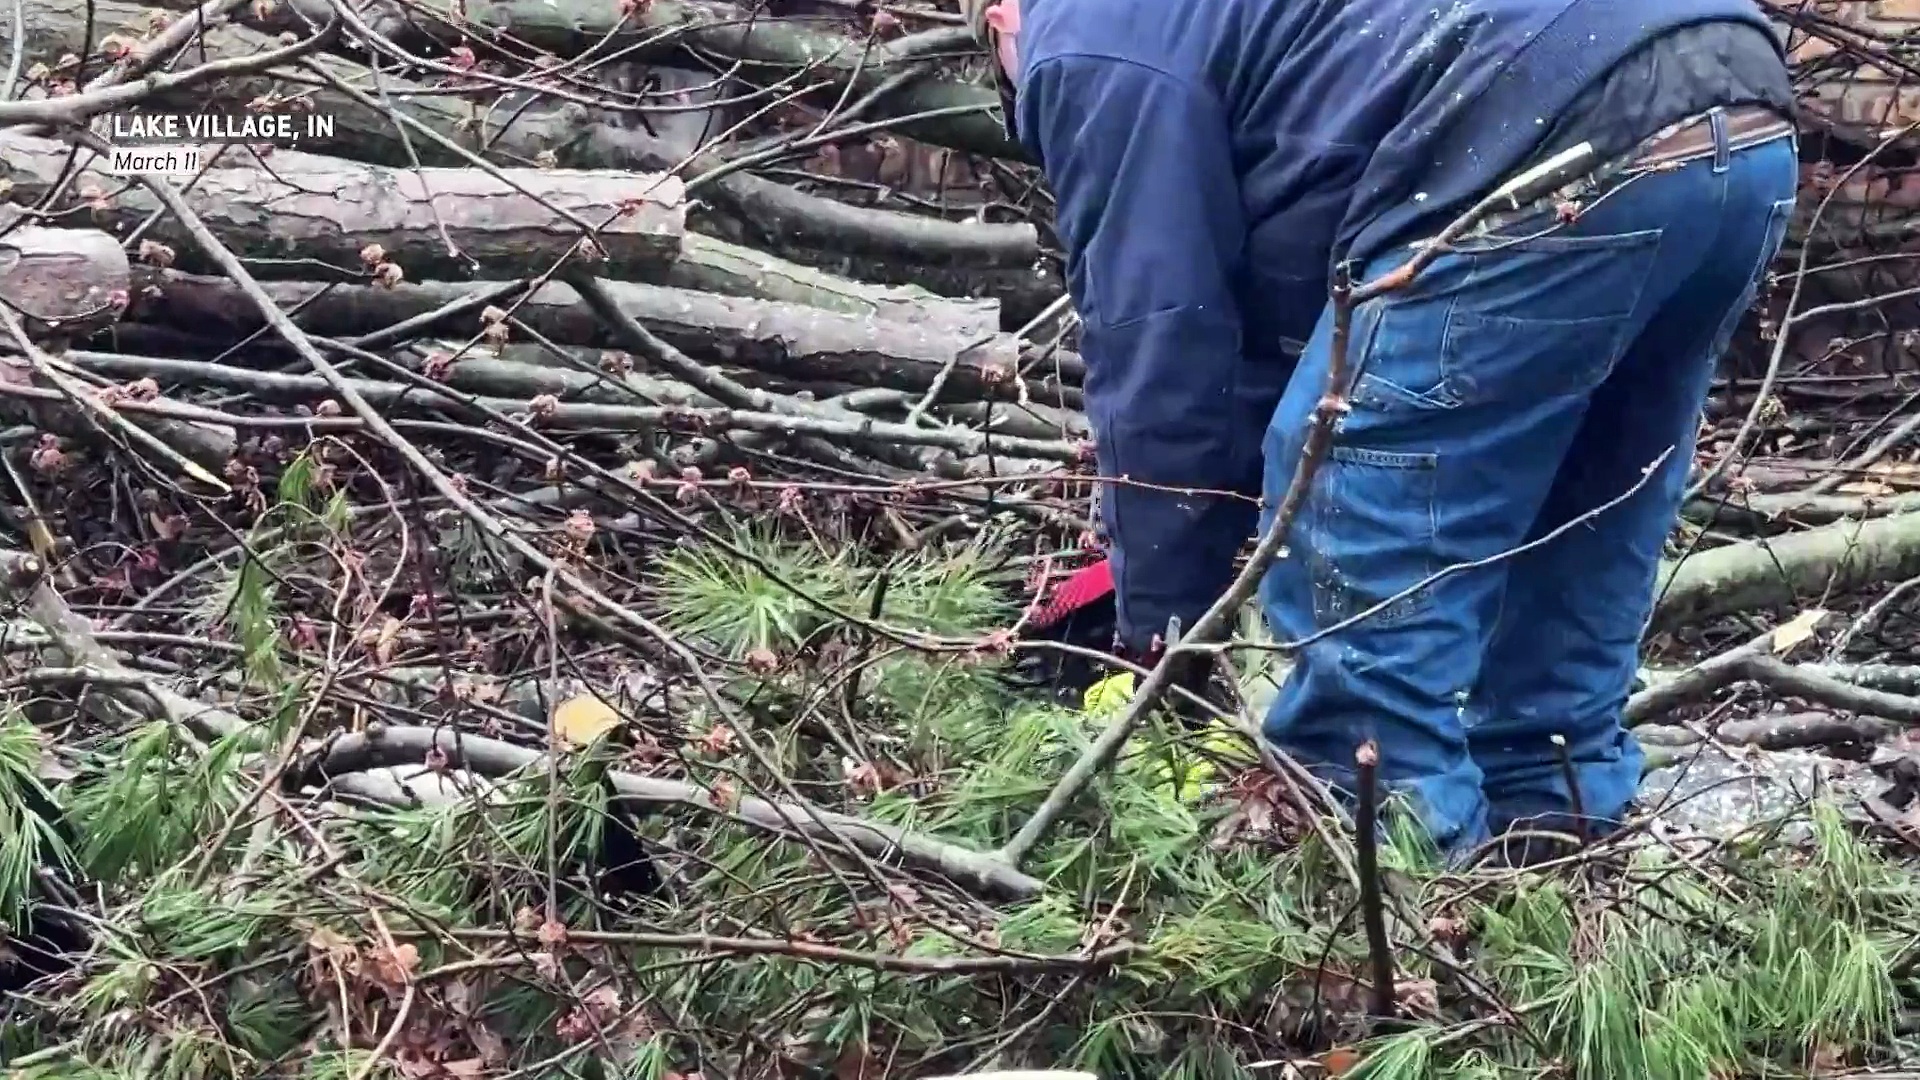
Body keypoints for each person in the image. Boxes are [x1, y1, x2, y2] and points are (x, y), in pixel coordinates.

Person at [966, 0, 1799, 863]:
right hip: (1734, 99)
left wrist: (1166, 628)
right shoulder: (1255, 36)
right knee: (1578, 519)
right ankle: (1562, 887)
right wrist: (1185, 550)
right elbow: (1275, 339)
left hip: (1554, 122)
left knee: (1358, 542)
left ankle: (1397, 918)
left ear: (999, 17)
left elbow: (1160, 339)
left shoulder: (1083, 42)